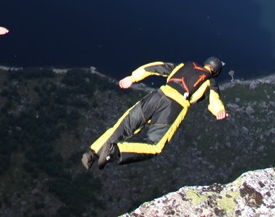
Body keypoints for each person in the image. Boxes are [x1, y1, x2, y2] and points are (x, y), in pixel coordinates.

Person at [81, 58, 227, 170]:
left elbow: (155, 67)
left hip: (157, 95)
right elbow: (214, 99)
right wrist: (219, 111)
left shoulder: (185, 65)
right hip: (174, 106)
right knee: (154, 146)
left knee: (123, 126)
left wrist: (132, 77)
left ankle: (92, 154)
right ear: (215, 72)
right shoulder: (210, 81)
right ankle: (114, 152)